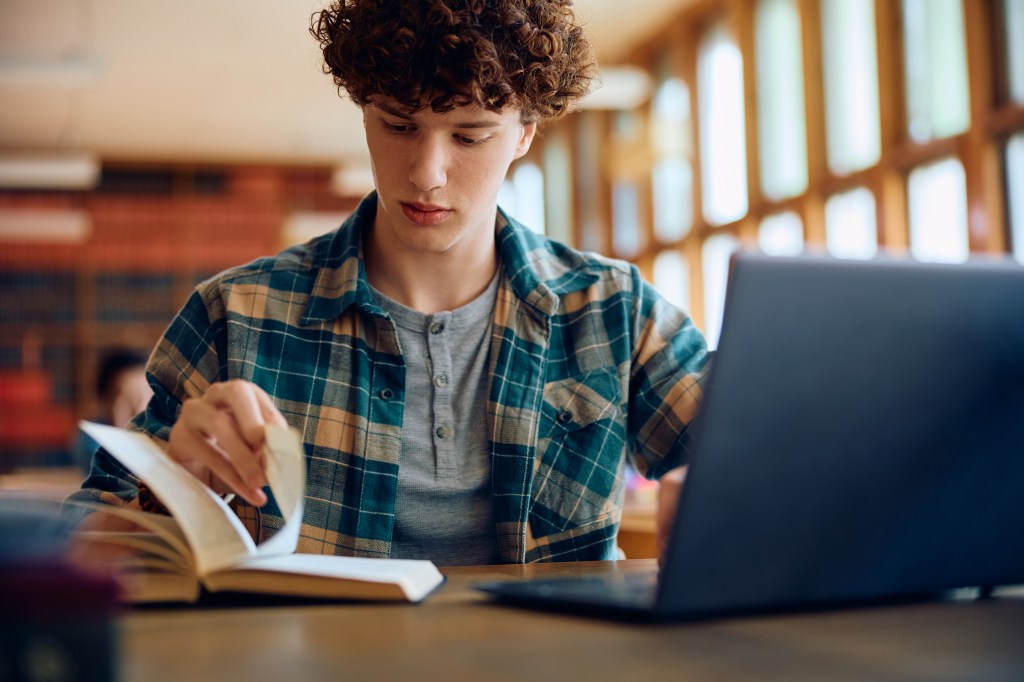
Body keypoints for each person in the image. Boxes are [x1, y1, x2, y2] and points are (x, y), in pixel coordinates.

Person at [70, 0, 709, 565]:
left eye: (470, 134)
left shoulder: (615, 311)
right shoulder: (234, 314)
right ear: (363, 112)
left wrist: (731, 484)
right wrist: (172, 481)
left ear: (525, 134)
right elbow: (77, 551)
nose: (427, 174)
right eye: (398, 125)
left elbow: (772, 459)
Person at [71, 348, 154, 472]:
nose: (139, 409)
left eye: (143, 396)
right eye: (125, 398)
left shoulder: (163, 430)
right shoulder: (91, 441)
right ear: (104, 400)